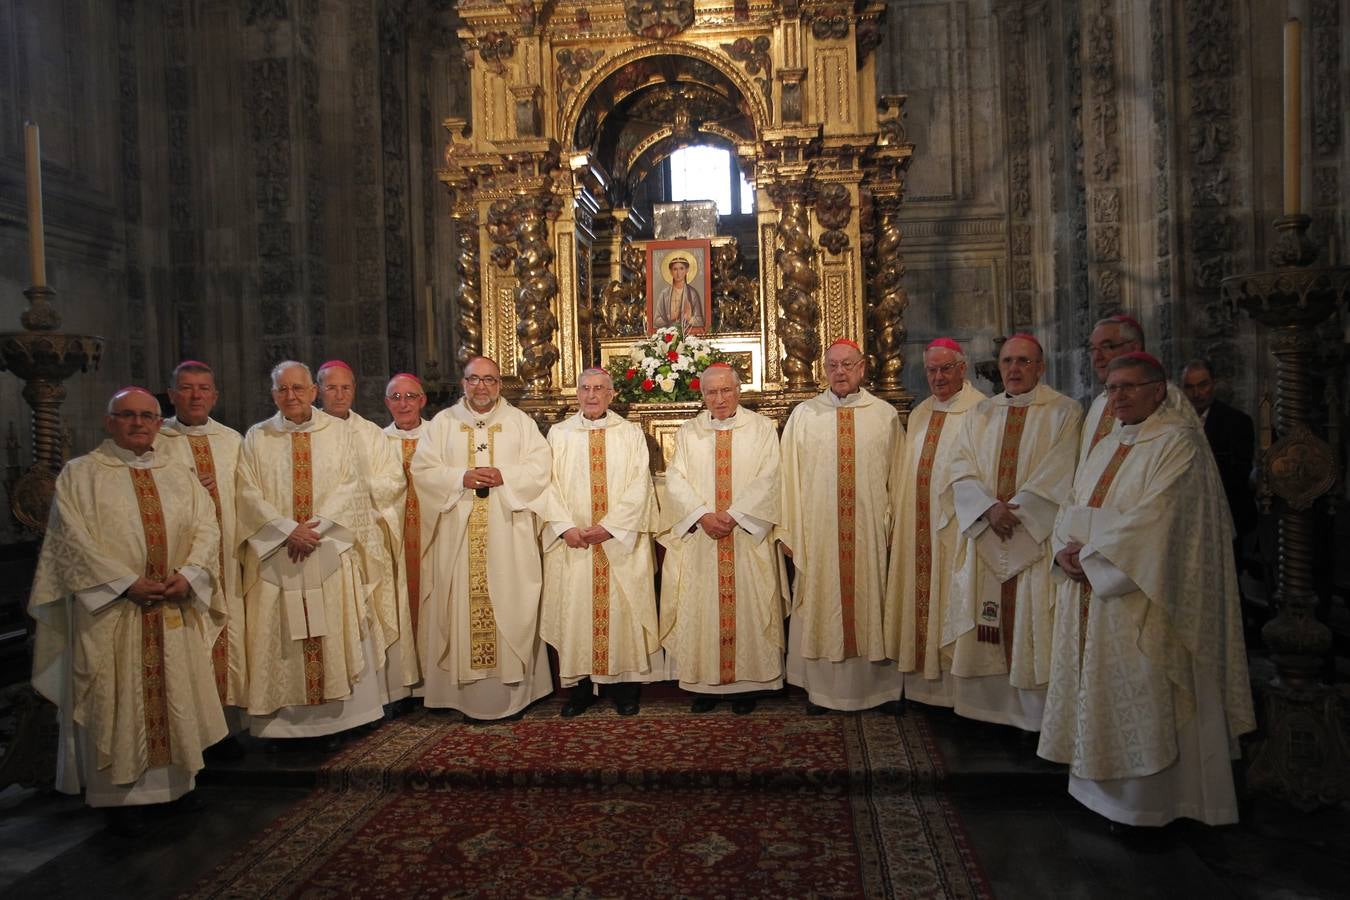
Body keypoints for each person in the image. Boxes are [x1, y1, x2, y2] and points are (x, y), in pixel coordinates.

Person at [1039, 352, 1256, 827]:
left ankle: (1151, 806)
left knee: (1145, 693)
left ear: (1158, 390)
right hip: (1093, 589)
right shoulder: (1104, 444)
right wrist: (1062, 551)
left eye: (1129, 387)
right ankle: (1097, 794)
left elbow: (1158, 519)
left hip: (1145, 596)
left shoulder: (1178, 443)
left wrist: (1090, 554)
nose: (1118, 396)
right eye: (1112, 388)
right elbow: (1071, 505)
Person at [29, 387, 225, 832]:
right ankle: (120, 799)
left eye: (147, 416)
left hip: (172, 606)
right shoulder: (81, 475)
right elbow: (70, 541)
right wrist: (124, 584)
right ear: (109, 421)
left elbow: (206, 527)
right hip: (112, 613)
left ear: (160, 422)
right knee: (116, 698)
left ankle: (175, 790)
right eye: (127, 415)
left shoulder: (180, 474)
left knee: (175, 692)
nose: (138, 424)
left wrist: (191, 574)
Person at [235, 361, 385, 742]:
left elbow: (352, 485)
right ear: (273, 395)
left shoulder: (339, 433)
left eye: (298, 389)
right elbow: (247, 493)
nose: (291, 396)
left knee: (332, 632)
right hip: (278, 554)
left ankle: (340, 720)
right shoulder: (256, 437)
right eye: (282, 390)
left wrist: (314, 529)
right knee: (280, 637)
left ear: (313, 392)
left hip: (327, 549)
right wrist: (287, 531)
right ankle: (282, 728)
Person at [943, 334, 1082, 731]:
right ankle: (984, 710)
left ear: (1041, 367)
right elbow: (960, 467)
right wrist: (988, 508)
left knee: (1031, 621)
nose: (1014, 369)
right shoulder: (979, 414)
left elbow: (1061, 471)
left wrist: (1018, 511)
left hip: (1032, 539)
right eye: (1007, 362)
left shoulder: (1064, 412)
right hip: (988, 530)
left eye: (1023, 361)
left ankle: (1032, 718)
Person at [410, 356, 554, 721]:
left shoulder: (519, 423)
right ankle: (465, 699)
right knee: (460, 606)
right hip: (459, 535)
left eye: (489, 380)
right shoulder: (443, 424)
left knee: (510, 601)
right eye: (474, 379)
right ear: (463, 383)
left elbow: (541, 467)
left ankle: (516, 695)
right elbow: (423, 470)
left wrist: (503, 474)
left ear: (498, 384)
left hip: (508, 533)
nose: (481, 387)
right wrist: (461, 477)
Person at [780, 338, 905, 712]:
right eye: (833, 365)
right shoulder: (804, 415)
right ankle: (823, 691)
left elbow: (898, 477)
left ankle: (880, 690)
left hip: (869, 531)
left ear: (863, 368)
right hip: (818, 534)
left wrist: (895, 527)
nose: (840, 372)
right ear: (823, 369)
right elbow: (786, 477)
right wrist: (789, 530)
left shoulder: (883, 415)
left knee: (873, 601)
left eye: (847, 365)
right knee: (823, 602)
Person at [659, 362, 784, 714]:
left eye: (726, 390)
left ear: (738, 391)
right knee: (701, 606)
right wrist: (701, 515)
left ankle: (748, 686)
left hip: (745, 537)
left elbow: (770, 476)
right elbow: (676, 479)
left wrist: (734, 515)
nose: (719, 398)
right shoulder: (688, 432)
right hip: (702, 538)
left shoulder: (761, 429)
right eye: (711, 392)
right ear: (702, 395)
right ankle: (703, 685)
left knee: (750, 604)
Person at [540, 368, 664, 717]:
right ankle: (582, 688)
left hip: (618, 542)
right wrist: (565, 527)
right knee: (577, 611)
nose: (591, 395)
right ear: (576, 393)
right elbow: (545, 484)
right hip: (574, 543)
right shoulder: (558, 434)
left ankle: (624, 687)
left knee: (623, 612)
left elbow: (640, 484)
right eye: (585, 388)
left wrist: (610, 527)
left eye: (599, 389)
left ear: (611, 395)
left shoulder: (629, 434)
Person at [886, 338, 987, 708]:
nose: (938, 377)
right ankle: (919, 689)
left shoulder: (981, 411)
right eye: (931, 370)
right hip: (916, 531)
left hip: (955, 531)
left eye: (946, 369)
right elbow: (903, 474)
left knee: (952, 602)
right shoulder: (920, 413)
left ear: (963, 368)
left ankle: (953, 694)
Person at [316, 360, 417, 705]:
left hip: (366, 538)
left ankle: (375, 699)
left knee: (369, 613)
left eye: (346, 387)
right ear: (318, 390)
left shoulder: (370, 433)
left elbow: (393, 480)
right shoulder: (306, 434)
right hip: (324, 541)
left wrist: (358, 492)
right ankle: (339, 704)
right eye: (332, 387)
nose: (340, 394)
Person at [158, 361, 247, 728]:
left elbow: (248, 496)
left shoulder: (232, 441)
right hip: (179, 565)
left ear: (214, 396)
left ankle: (225, 729)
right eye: (187, 388)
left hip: (225, 559)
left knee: (229, 639)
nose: (195, 396)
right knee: (188, 646)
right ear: (172, 394)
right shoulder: (156, 439)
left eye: (203, 388)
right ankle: (188, 728)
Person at [1079, 314, 1197, 464]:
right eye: (1093, 349)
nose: (1097, 357)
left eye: (1107, 346)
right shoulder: (1098, 403)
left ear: (1134, 347)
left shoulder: (1164, 395)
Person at [382, 372, 430, 698]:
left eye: (410, 396)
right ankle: (398, 688)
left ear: (423, 400)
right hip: (391, 538)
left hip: (432, 536)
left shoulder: (441, 437)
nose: (404, 404)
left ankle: (433, 685)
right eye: (396, 398)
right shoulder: (376, 441)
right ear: (387, 403)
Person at [1180, 359, 1257, 542]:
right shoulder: (1177, 422)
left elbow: (1240, 472)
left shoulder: (1237, 421)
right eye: (1189, 387)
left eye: (1202, 385)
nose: (1196, 393)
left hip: (1227, 511)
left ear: (1213, 384)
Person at [651, 251, 705, 331]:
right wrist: (670, 318)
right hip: (668, 336)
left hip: (688, 335)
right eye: (675, 269)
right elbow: (656, 320)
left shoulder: (692, 294)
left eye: (681, 268)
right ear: (670, 271)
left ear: (687, 270)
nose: (678, 273)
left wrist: (689, 318)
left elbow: (700, 321)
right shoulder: (664, 294)